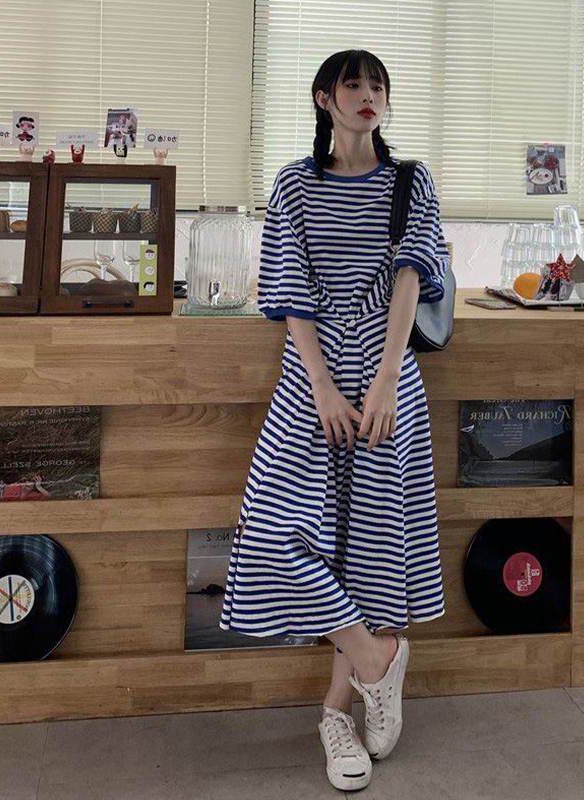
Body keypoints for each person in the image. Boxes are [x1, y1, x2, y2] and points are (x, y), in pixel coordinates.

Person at [219, 49, 450, 792]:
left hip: (387, 372)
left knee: (375, 544)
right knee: (274, 531)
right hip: (310, 379)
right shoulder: (294, 183)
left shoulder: (410, 181)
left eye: (378, 84)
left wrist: (385, 380)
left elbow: (411, 279)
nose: (367, 94)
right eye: (353, 83)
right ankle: (378, 660)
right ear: (324, 98)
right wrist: (320, 384)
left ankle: (335, 715)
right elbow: (288, 286)